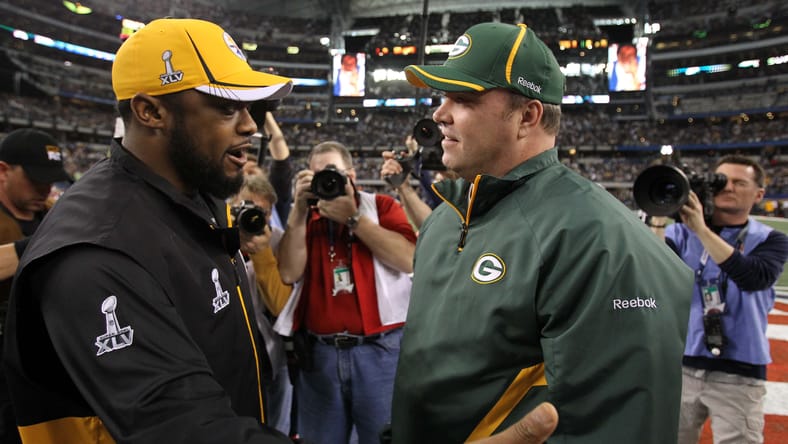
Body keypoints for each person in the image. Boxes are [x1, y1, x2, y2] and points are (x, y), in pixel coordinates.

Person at [391, 22, 694, 443]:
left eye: (461, 99)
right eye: (442, 98)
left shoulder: (598, 238)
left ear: (527, 116)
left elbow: (616, 424)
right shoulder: (445, 218)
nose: (439, 114)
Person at [2, 18, 296, 443]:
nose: (249, 125)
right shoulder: (97, 253)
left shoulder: (195, 194)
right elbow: (184, 428)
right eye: (227, 106)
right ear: (150, 111)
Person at [275, 141, 417, 444]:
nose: (327, 181)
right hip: (321, 356)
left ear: (351, 174)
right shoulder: (306, 217)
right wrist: (298, 213)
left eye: (333, 172)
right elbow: (288, 272)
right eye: (318, 175)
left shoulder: (380, 206)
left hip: (381, 352)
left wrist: (353, 219)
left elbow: (408, 260)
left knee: (384, 438)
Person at [653, 156, 788, 444]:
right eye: (722, 181)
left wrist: (701, 229)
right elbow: (651, 270)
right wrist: (656, 214)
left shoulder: (770, 239)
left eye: (740, 183)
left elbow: (754, 277)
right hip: (681, 365)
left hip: (739, 371)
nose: (728, 187)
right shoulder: (677, 233)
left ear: (759, 194)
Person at [0, 127, 71, 444]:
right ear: (3, 170)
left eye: (50, 178)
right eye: (34, 177)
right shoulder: (60, 224)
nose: (45, 187)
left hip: (47, 358)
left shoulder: (55, 215)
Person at [231, 174, 294, 437]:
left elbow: (281, 307)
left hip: (271, 356)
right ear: (233, 206)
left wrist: (262, 254)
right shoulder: (217, 238)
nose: (254, 216)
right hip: (230, 357)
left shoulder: (279, 241)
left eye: (262, 212)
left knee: (276, 427)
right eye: (246, 207)